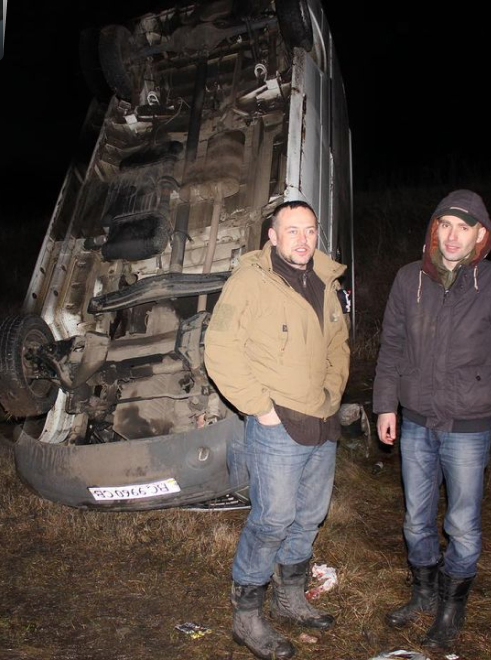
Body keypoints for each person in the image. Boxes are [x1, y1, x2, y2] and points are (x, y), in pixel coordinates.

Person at [204, 200, 350, 660]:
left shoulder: (324, 279)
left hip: (321, 421)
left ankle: (290, 599)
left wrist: (333, 392)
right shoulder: (250, 281)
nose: (303, 240)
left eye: (310, 230)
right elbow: (220, 349)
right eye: (292, 231)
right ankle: (246, 618)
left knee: (309, 516)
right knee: (272, 521)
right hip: (277, 426)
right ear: (272, 235)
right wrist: (260, 408)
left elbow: (338, 344)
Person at [373, 189, 491, 652]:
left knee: (462, 523)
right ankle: (423, 593)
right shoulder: (409, 280)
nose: (453, 236)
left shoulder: (488, 283)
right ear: (434, 231)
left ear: (480, 235)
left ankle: (451, 606)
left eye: (464, 227)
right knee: (416, 519)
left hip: (469, 424)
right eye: (445, 225)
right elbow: (392, 346)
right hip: (418, 420)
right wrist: (386, 405)